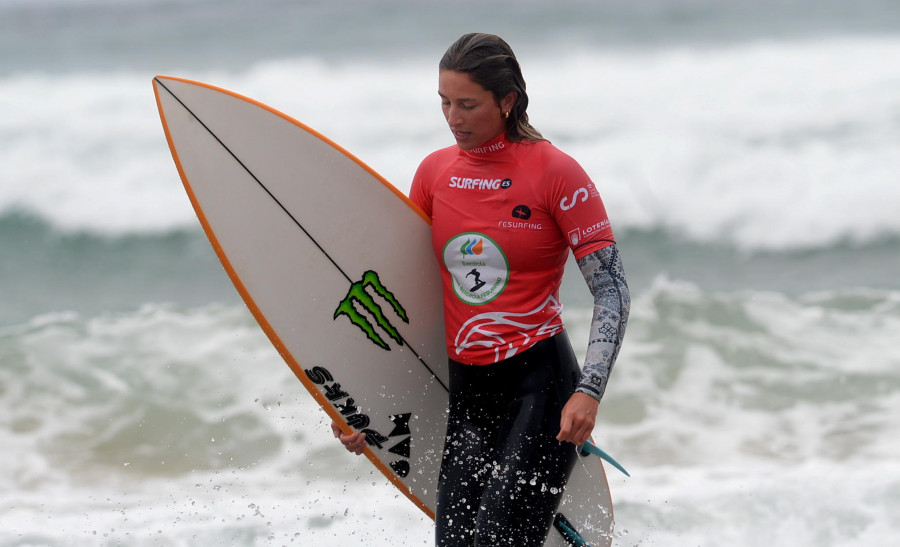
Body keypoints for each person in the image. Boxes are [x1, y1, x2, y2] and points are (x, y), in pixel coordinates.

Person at [332, 32, 630, 546]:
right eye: (445, 103)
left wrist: (590, 391)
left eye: (467, 104)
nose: (453, 118)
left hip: (541, 390)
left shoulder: (555, 173)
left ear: (508, 100)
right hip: (469, 396)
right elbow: (405, 299)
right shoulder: (434, 173)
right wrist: (357, 408)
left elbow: (613, 291)